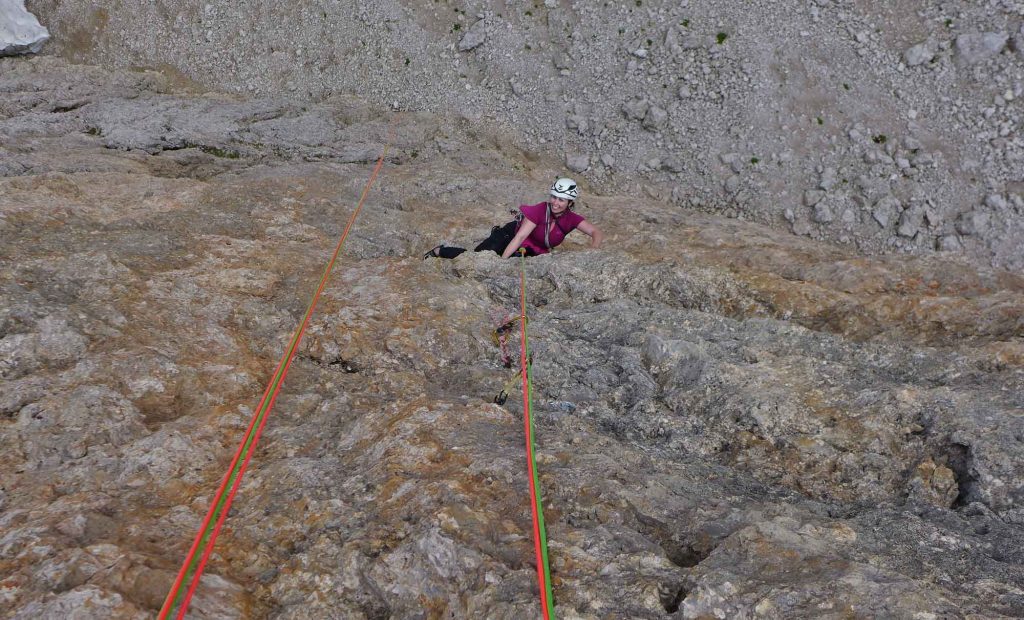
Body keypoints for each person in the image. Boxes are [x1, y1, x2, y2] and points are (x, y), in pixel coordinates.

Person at [424, 177, 603, 259]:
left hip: (534, 252)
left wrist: (592, 250)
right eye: (554, 197)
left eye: (561, 200)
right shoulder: (541, 210)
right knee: (479, 259)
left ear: (570, 203)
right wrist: (502, 261)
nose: (555, 202)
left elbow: (596, 232)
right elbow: (520, 237)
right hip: (509, 235)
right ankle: (441, 251)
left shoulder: (572, 219)